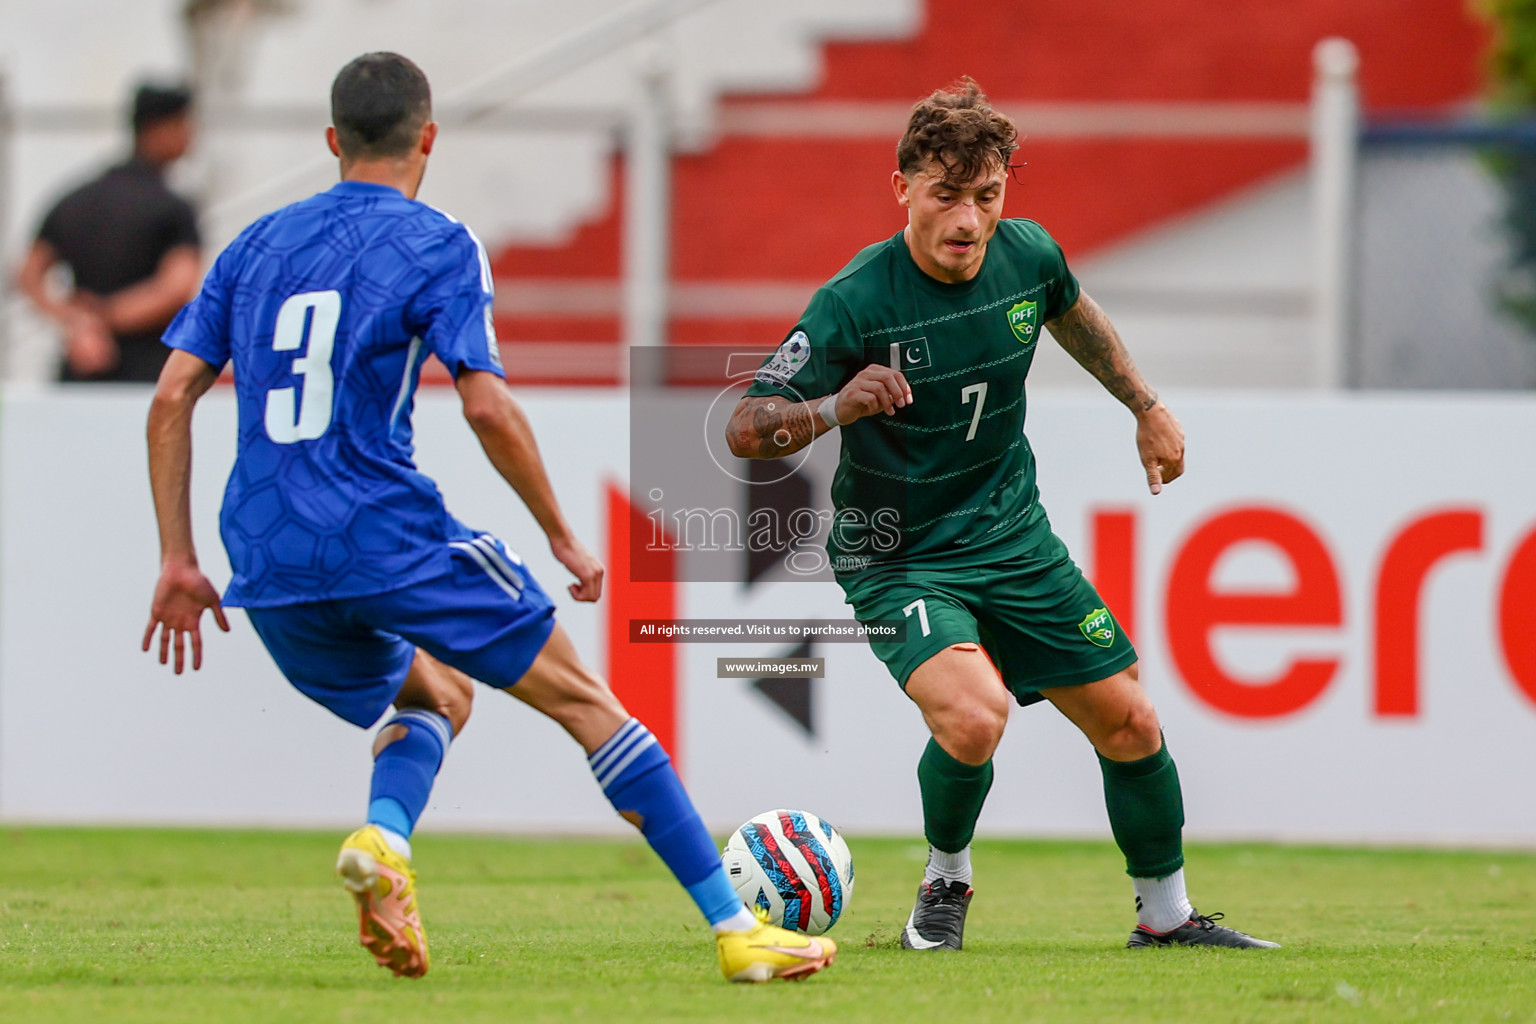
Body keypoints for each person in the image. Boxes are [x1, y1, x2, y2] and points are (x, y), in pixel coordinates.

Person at [141, 52, 835, 984]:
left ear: (332, 142)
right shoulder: (438, 242)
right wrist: (558, 532)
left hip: (265, 557)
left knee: (436, 693)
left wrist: (178, 559)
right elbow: (486, 405)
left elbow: (171, 396)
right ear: (429, 138)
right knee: (589, 704)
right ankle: (736, 928)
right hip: (383, 531)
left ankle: (384, 840)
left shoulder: (252, 247)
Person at [726, 79, 1279, 952]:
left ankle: (1165, 917)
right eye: (947, 196)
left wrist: (1146, 405)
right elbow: (746, 426)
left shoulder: (1029, 257)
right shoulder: (855, 301)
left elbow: (1071, 312)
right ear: (901, 186)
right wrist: (835, 407)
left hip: (1011, 536)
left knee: (1131, 719)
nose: (969, 222)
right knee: (977, 714)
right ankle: (945, 880)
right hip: (900, 555)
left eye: (987, 197)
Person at [17, 82, 201, 382]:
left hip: (81, 365)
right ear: (161, 127)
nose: (191, 135)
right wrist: (107, 317)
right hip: (147, 370)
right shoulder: (172, 207)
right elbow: (177, 287)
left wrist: (77, 321)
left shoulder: (75, 198)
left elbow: (28, 274)